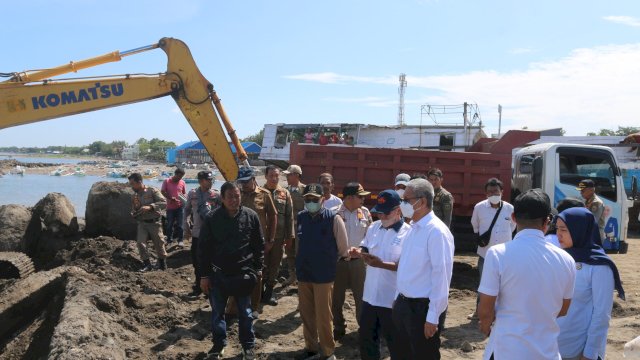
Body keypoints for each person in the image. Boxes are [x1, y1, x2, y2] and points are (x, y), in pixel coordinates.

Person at [478, 189, 577, 360]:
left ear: (514, 218)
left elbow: (485, 309)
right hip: (547, 352)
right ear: (548, 221)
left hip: (507, 350)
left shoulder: (497, 254)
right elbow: (563, 309)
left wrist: (486, 326)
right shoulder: (567, 260)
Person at [198, 181, 264, 360]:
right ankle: (218, 345)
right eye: (230, 197)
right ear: (222, 198)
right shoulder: (212, 219)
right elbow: (203, 249)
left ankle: (247, 346)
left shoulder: (251, 216)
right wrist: (204, 275)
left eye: (237, 196)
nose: (234, 200)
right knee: (218, 314)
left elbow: (258, 245)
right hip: (218, 276)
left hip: (243, 274)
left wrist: (258, 269)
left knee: (246, 314)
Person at [392, 178, 454, 359]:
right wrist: (398, 298)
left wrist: (433, 316)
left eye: (407, 200)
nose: (402, 204)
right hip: (404, 305)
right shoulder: (412, 227)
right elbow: (406, 266)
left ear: (423, 201)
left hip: (422, 309)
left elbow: (441, 277)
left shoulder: (437, 232)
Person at [556, 207, 625, 360]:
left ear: (580, 230)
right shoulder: (560, 257)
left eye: (564, 230)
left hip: (580, 348)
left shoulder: (599, 266)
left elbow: (601, 315)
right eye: (557, 229)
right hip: (553, 345)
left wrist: (590, 353)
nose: (558, 234)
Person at [349, 190, 410, 360]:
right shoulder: (374, 227)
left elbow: (406, 267)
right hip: (369, 297)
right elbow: (366, 247)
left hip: (392, 299)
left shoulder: (408, 233)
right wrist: (358, 252)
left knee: (396, 343)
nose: (381, 216)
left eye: (386, 212)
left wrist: (381, 264)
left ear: (398, 210)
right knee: (367, 339)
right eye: (379, 212)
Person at [296, 183, 349, 360]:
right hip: (304, 274)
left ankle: (327, 351)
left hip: (323, 276)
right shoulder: (301, 217)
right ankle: (310, 348)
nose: (311, 202)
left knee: (324, 316)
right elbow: (299, 245)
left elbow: (343, 248)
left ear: (323, 199)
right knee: (307, 314)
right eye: (307, 199)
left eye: (314, 199)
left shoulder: (334, 219)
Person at [469, 177, 516, 319]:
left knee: (505, 284)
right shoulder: (479, 207)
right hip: (486, 254)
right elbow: (475, 226)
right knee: (484, 283)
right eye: (490, 192)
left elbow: (512, 227)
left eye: (496, 191)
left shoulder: (510, 208)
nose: (493, 194)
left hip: (505, 255)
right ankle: (479, 311)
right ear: (486, 194)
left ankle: (501, 311)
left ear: (502, 191)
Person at [332, 182, 373, 340]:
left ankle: (363, 328)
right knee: (336, 298)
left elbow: (369, 237)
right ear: (349, 198)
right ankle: (338, 326)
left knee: (361, 297)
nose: (363, 199)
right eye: (360, 196)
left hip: (358, 263)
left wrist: (362, 251)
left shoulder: (365, 212)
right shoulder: (333, 213)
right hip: (339, 262)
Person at [235, 166, 277, 316]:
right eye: (241, 182)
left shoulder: (264, 195)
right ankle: (236, 305)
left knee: (258, 274)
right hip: (240, 243)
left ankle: (254, 307)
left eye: (246, 181)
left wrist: (271, 239)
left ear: (253, 179)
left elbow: (273, 217)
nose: (244, 185)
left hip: (258, 242)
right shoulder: (237, 194)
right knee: (238, 273)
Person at [183, 170, 220, 296]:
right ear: (201, 181)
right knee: (197, 261)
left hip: (212, 235)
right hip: (197, 234)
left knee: (212, 261)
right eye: (208, 180)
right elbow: (187, 210)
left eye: (211, 179)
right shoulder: (193, 193)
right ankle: (199, 286)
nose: (210, 181)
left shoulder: (216, 195)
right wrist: (186, 224)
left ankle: (211, 287)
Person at [262, 165, 294, 305]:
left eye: (277, 176)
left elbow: (289, 216)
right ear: (266, 176)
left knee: (275, 265)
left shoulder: (284, 193)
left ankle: (269, 293)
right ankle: (259, 293)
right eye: (271, 176)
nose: (274, 178)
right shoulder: (259, 192)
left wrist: (289, 236)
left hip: (279, 237)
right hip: (262, 237)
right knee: (261, 264)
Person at [128, 172, 168, 272]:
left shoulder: (152, 191)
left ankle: (162, 265)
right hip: (142, 223)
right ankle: (147, 265)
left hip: (154, 222)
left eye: (133, 184)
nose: (131, 186)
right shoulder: (134, 196)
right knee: (140, 243)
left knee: (159, 243)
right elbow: (134, 208)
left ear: (140, 182)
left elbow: (164, 203)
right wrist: (133, 212)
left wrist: (151, 207)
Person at [283, 164, 306, 286]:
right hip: (288, 227)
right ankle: (292, 276)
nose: (287, 177)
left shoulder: (305, 190)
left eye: (289, 174)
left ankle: (300, 277)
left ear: (296, 175)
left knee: (299, 252)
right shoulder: (285, 190)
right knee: (289, 251)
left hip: (300, 227)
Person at [161, 167, 187, 247]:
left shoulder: (182, 182)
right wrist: (170, 198)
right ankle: (169, 240)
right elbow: (162, 191)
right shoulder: (167, 181)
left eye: (181, 177)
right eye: (179, 176)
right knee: (169, 225)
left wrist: (184, 199)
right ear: (175, 174)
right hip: (170, 207)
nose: (180, 178)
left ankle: (180, 240)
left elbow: (184, 193)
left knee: (180, 224)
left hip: (180, 207)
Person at [577, 179, 605, 244]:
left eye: (583, 191)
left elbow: (592, 221)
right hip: (589, 233)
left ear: (591, 190)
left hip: (595, 234)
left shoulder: (596, 203)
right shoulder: (586, 201)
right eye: (580, 191)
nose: (581, 193)